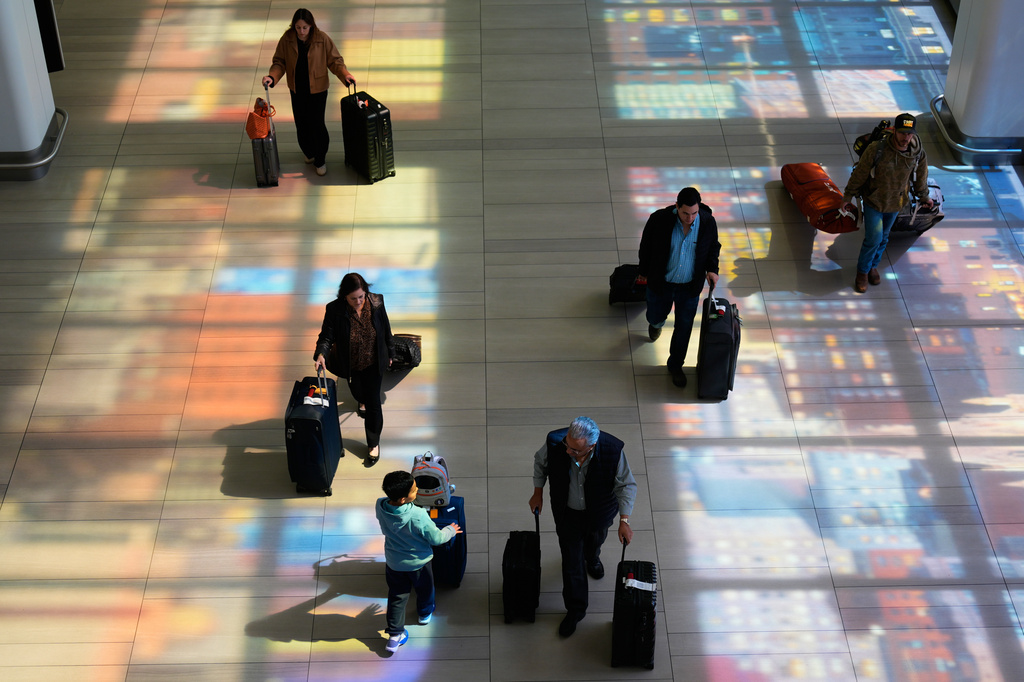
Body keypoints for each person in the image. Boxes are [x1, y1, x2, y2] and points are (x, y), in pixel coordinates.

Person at [528, 416, 637, 638]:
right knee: (571, 562)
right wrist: (537, 492)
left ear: (592, 446)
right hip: (567, 514)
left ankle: (593, 558)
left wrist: (624, 521)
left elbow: (626, 485)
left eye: (575, 450)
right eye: (567, 445)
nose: (568, 452)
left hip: (599, 514)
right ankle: (576, 610)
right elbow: (541, 463)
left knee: (594, 542)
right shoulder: (556, 443)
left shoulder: (612, 450)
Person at [638, 186, 722, 387]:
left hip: (689, 287)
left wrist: (712, 269)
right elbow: (646, 245)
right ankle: (656, 324)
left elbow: (713, 247)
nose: (690, 218)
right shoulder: (659, 219)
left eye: (694, 213)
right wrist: (643, 270)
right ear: (677, 207)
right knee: (655, 315)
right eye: (685, 213)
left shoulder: (708, 222)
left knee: (684, 328)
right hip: (662, 283)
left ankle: (675, 365)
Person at [842, 112, 933, 293]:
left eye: (909, 133)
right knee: (873, 238)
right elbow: (860, 173)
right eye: (902, 133)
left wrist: (924, 197)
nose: (906, 138)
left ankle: (872, 266)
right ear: (894, 132)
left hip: (896, 201)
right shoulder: (877, 149)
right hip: (874, 199)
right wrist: (847, 196)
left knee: (883, 237)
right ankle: (862, 272)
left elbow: (921, 178)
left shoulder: (917, 153)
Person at [376, 470, 462, 653]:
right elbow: (437, 538)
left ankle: (394, 635)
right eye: (414, 490)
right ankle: (424, 614)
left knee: (397, 597)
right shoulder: (418, 515)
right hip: (419, 563)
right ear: (402, 499)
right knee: (424, 588)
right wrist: (451, 530)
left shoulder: (380, 506)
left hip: (394, 563)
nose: (418, 492)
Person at [262, 8, 355, 176]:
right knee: (301, 124)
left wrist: (345, 75)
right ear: (293, 26)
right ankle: (309, 152)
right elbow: (279, 62)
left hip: (318, 90)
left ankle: (320, 159)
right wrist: (272, 77)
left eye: (305, 27)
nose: (301, 31)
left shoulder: (322, 39)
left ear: (311, 26)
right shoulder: (287, 39)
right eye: (298, 27)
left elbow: (335, 61)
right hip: (297, 89)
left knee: (317, 124)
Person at [314, 273, 394, 464]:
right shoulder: (334, 310)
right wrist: (321, 353)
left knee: (373, 403)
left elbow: (386, 328)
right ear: (344, 296)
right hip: (351, 364)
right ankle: (361, 401)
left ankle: (373, 442)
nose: (358, 301)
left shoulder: (376, 302)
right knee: (358, 393)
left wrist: (390, 351)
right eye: (353, 298)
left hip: (374, 363)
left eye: (361, 296)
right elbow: (326, 336)